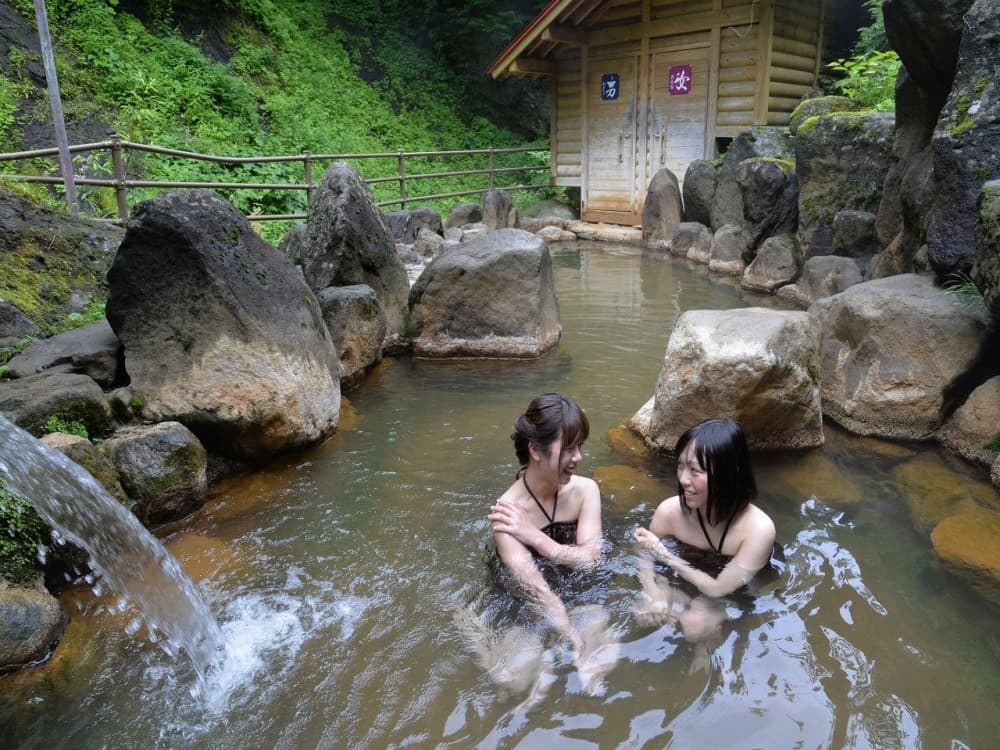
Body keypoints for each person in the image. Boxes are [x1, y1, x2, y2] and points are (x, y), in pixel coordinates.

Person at [633, 418, 776, 639]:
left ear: (727, 475)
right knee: (645, 612)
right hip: (689, 574)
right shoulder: (669, 512)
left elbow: (719, 589)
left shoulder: (758, 530)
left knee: (694, 625)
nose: (683, 479)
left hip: (732, 590)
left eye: (695, 470)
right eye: (680, 465)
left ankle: (706, 647)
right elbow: (644, 552)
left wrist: (665, 555)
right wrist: (651, 590)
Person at [488, 392, 603, 657]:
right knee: (526, 674)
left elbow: (593, 560)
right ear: (535, 450)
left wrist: (536, 538)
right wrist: (569, 632)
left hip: (581, 587)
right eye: (569, 449)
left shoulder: (586, 491)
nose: (578, 458)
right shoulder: (507, 513)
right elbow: (534, 588)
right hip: (526, 600)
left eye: (580, 447)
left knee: (598, 650)